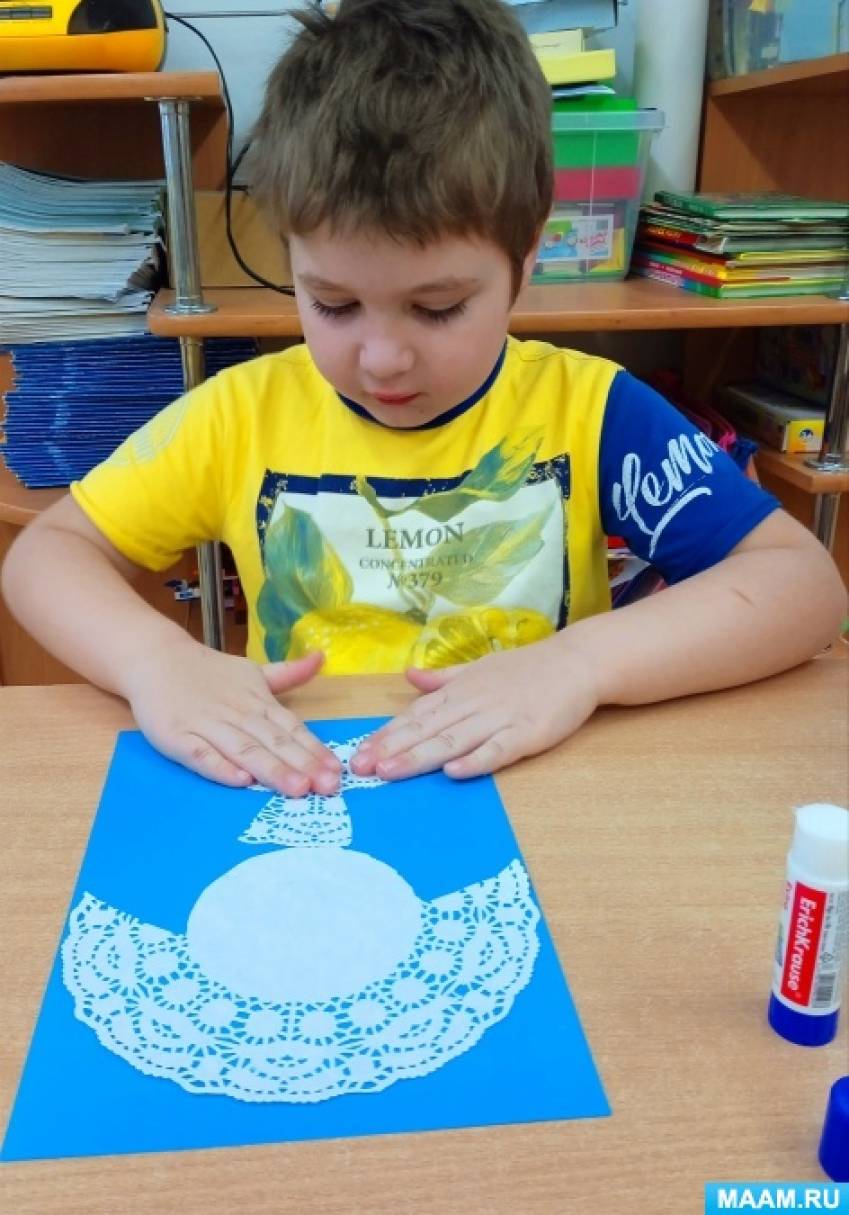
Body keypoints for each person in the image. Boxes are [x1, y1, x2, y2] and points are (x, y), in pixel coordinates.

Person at [1, 0, 844, 797]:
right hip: (306, 791)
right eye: (332, 303)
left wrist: (581, 663)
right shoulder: (237, 413)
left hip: (535, 799)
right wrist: (155, 659)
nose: (381, 358)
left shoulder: (591, 409)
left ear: (527, 254)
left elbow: (800, 587)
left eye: (437, 308)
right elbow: (50, 554)